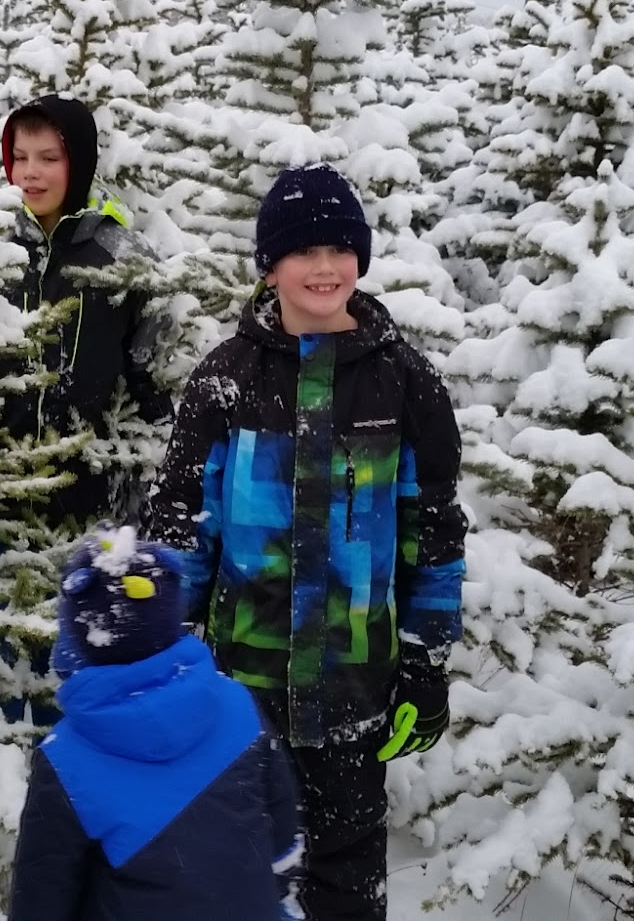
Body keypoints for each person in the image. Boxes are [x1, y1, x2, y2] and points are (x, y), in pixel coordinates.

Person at [142, 163, 468, 921]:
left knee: (344, 883)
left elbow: (433, 533)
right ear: (270, 266)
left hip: (355, 691)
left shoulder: (405, 382)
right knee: (237, 878)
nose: (324, 267)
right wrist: (165, 651)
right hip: (240, 694)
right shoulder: (226, 379)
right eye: (302, 251)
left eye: (340, 249)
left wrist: (425, 664)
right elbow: (183, 521)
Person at [8, 529, 304, 921]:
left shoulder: (66, 761)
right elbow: (283, 834)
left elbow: (40, 897)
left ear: (79, 638)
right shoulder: (236, 704)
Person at [0, 93, 169, 531]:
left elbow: (151, 386)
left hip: (93, 513)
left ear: (78, 164)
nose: (30, 172)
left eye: (48, 158)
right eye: (20, 157)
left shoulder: (124, 258)